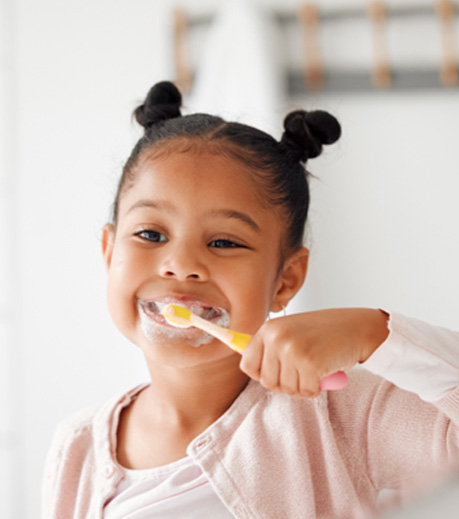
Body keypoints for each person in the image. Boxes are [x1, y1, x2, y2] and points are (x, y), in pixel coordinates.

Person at [42, 81, 459, 519]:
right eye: (151, 234)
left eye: (224, 242)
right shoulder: (77, 447)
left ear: (286, 279)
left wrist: (373, 331)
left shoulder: (342, 416)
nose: (181, 264)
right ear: (110, 253)